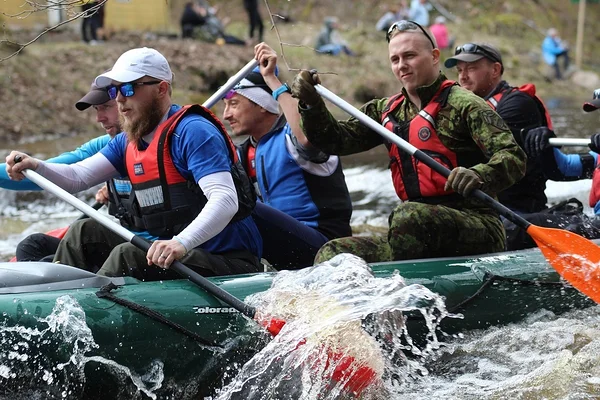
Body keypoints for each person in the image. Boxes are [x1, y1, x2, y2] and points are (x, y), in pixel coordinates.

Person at [7, 47, 262, 280]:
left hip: (225, 261)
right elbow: (78, 177)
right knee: (85, 232)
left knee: (127, 255)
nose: (119, 99)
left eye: (129, 89)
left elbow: (225, 199)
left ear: (161, 89)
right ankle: (55, 299)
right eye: (115, 90)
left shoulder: (193, 131)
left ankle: (85, 308)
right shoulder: (128, 141)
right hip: (178, 252)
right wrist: (37, 166)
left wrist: (181, 242)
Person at [290, 20, 526, 263]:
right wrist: (311, 105)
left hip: (477, 225)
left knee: (408, 217)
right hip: (412, 230)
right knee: (332, 254)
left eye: (410, 56)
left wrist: (480, 174)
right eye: (395, 59)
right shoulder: (385, 111)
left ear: (434, 56)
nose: (402, 65)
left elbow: (513, 158)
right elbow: (335, 141)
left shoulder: (465, 104)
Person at [444, 42, 596, 250]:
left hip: (516, 211)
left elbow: (475, 147)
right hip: (489, 211)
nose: (463, 76)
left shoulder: (518, 104)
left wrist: (546, 148)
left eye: (471, 68)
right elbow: (564, 168)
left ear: (495, 70)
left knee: (504, 232)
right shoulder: (459, 109)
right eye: (459, 70)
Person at [223, 43, 353, 269]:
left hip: (324, 246)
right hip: (284, 246)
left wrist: (272, 80)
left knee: (241, 206)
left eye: (234, 104)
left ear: (263, 105)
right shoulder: (243, 152)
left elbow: (305, 136)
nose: (226, 115)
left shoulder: (294, 138)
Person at [9, 81, 120, 261]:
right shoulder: (105, 145)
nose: (99, 118)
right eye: (96, 109)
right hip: (122, 240)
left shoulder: (165, 141)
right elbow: (55, 175)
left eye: (106, 107)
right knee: (31, 246)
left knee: (76, 236)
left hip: (143, 250)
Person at [180, 1, 246, 45]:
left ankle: (244, 42)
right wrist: (204, 14)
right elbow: (203, 21)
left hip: (213, 33)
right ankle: (244, 43)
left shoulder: (191, 12)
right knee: (226, 39)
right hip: (212, 35)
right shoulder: (192, 13)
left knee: (228, 38)